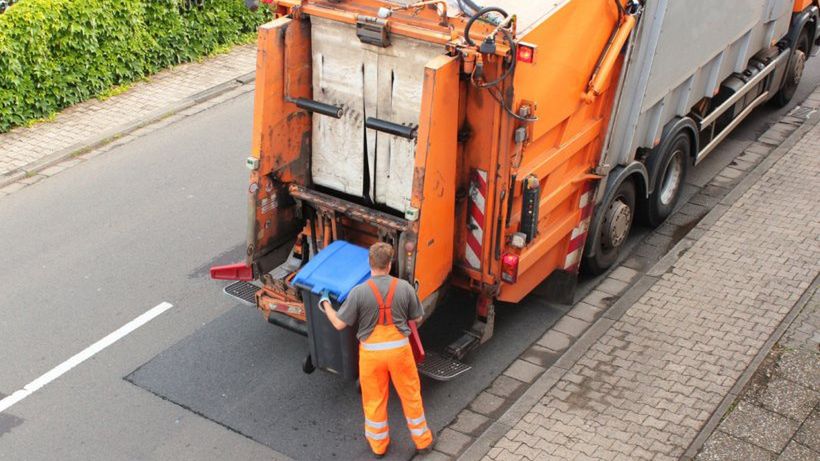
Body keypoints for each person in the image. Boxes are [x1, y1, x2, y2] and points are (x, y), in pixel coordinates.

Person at [320, 242, 434, 458]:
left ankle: (379, 446)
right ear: (389, 265)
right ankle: (423, 442)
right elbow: (417, 318)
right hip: (400, 351)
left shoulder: (359, 292)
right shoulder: (404, 288)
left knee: (374, 399)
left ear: (370, 263)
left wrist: (325, 303)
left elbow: (339, 324)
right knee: (411, 395)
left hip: (371, 355)